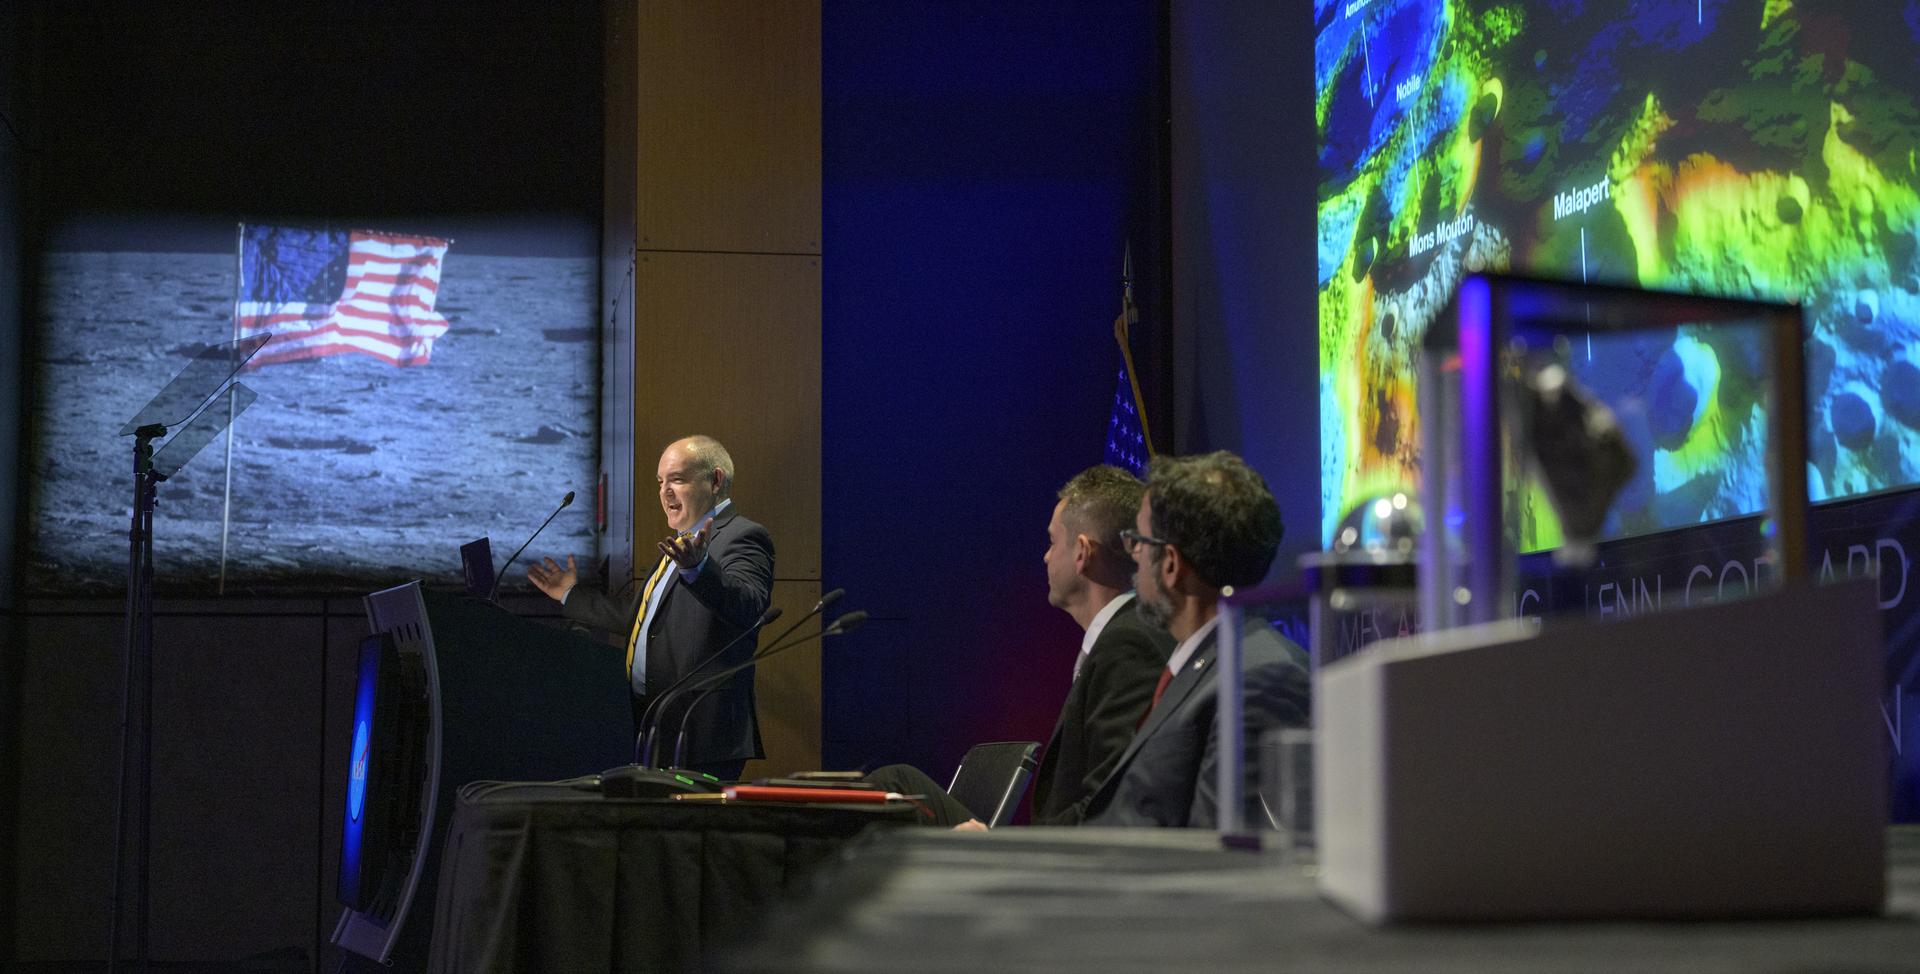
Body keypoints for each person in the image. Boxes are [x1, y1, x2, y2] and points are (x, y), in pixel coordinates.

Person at [868, 465, 1174, 827]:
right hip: (1050, 853)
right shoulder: (1121, 636)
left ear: (1081, 552)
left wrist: (1011, 851)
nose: (1046, 556)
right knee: (896, 784)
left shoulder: (1129, 643)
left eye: (1052, 541)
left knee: (892, 785)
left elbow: (1110, 806)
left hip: (1063, 869)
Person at [1079, 450, 1311, 828]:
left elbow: (1218, 861)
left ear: (1170, 564)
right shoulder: (1206, 661)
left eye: (1137, 541)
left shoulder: (1260, 679)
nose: (1133, 556)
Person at [527, 435, 774, 781]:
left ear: (715, 480)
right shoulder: (682, 545)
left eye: (678, 479)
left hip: (701, 733)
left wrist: (699, 570)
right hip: (655, 724)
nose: (665, 492)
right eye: (661, 482)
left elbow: (747, 604)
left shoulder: (742, 536)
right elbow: (638, 619)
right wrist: (570, 595)